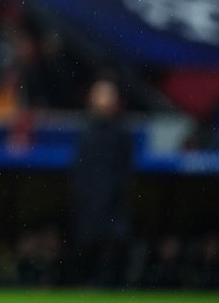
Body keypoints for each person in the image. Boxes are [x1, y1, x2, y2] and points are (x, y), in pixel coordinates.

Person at [70, 76, 133, 287]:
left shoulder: (121, 133)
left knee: (113, 245)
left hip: (113, 200)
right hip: (89, 200)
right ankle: (86, 283)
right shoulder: (86, 133)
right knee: (87, 244)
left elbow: (124, 172)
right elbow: (80, 170)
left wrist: (113, 195)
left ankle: (111, 284)